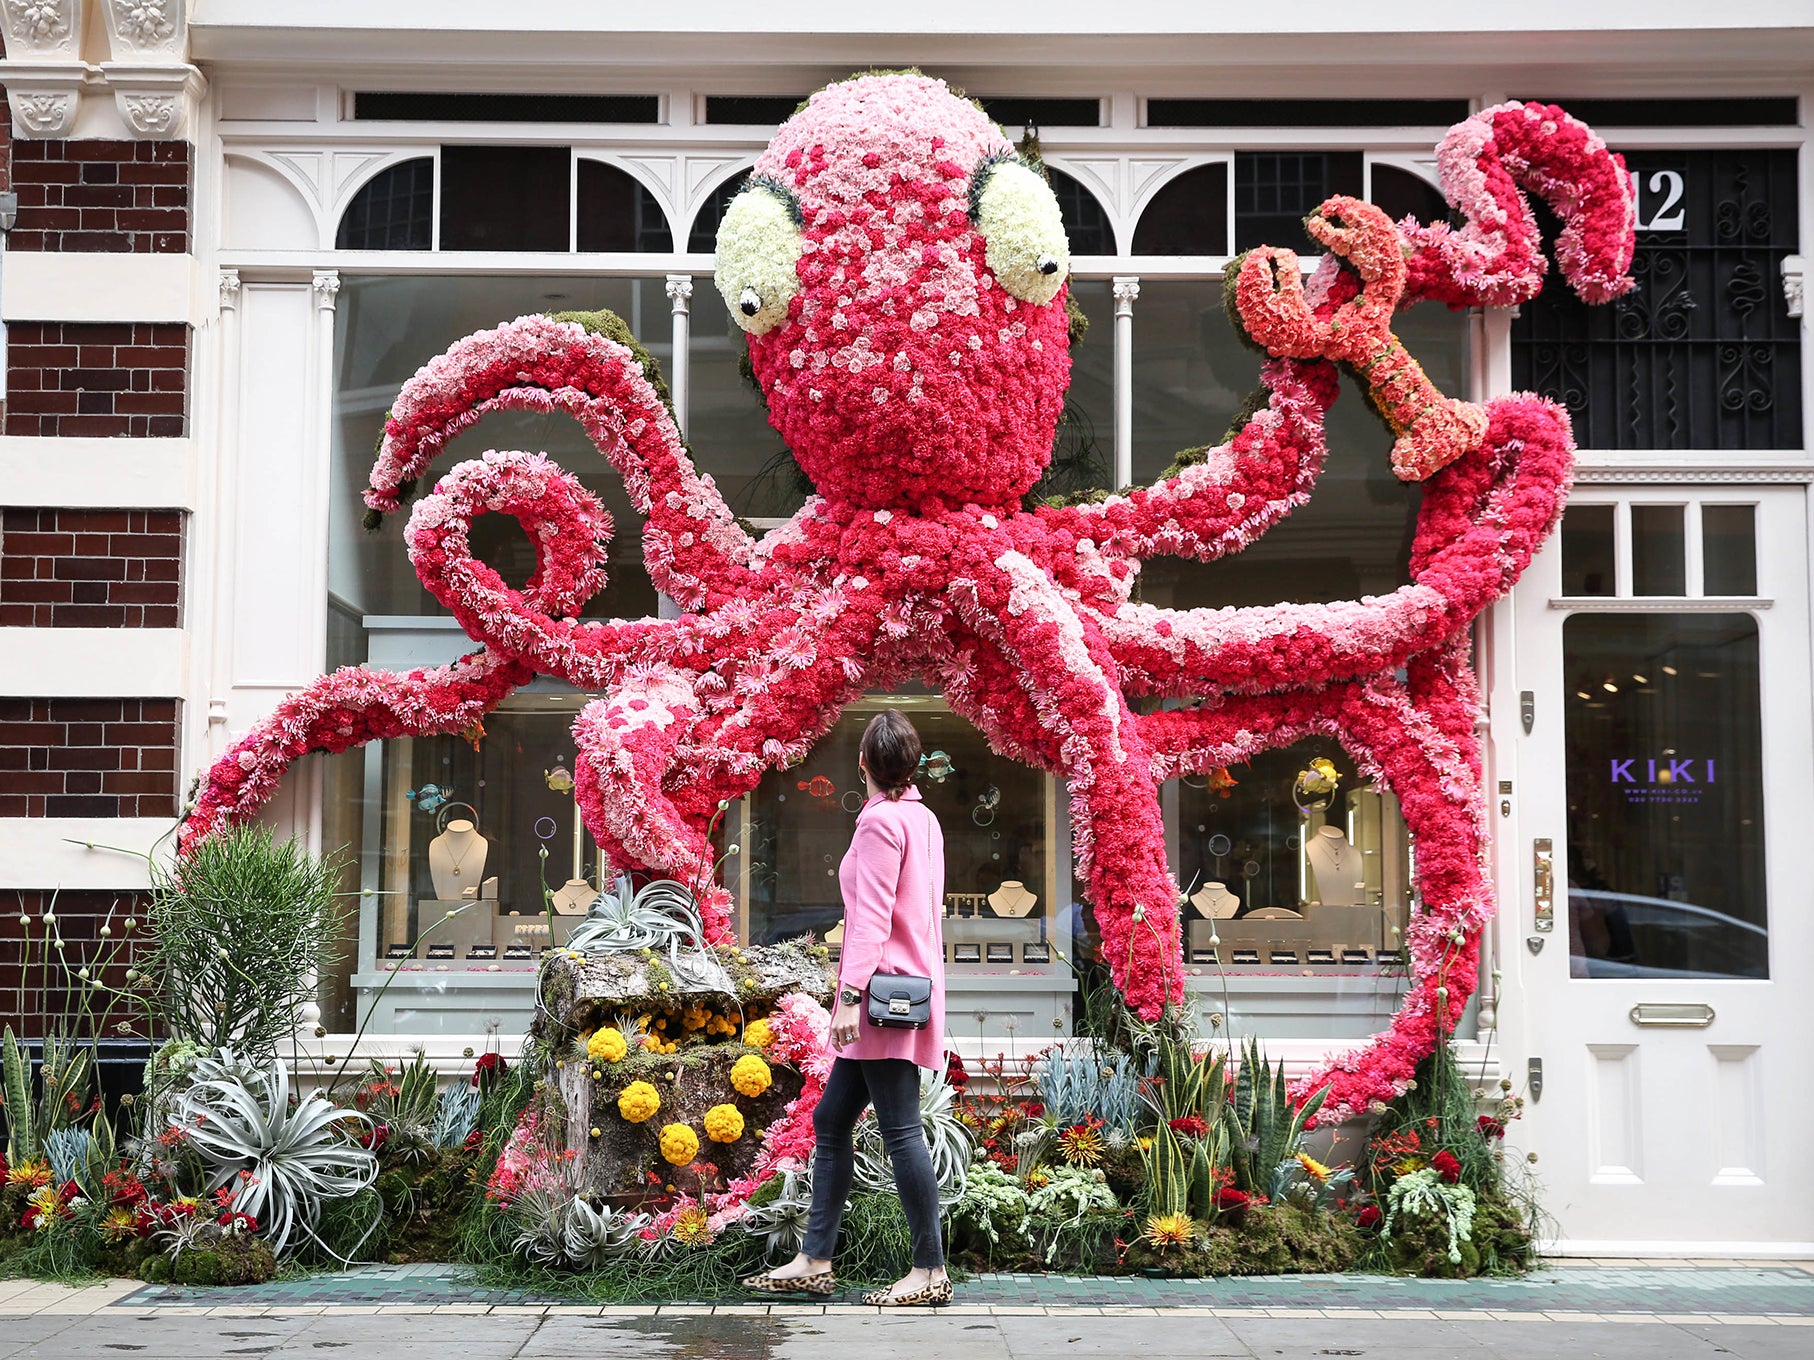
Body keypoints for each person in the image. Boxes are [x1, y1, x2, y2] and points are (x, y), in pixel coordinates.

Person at [743, 710, 951, 1306]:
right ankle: (815, 1258)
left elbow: (871, 921)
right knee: (832, 1120)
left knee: (902, 1130)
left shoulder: (881, 824)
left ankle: (929, 1272)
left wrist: (850, 999)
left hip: (879, 998)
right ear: (910, 766)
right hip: (906, 988)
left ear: (861, 763)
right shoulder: (924, 818)